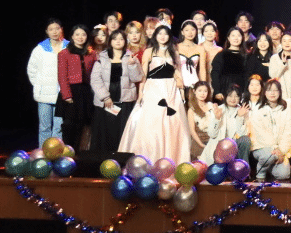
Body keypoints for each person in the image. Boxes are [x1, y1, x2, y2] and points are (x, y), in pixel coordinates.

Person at [119, 25, 189, 164]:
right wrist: (141, 93)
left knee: (172, 122)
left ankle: (170, 159)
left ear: (169, 36)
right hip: (153, 88)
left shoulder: (174, 52)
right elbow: (143, 74)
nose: (162, 36)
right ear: (155, 36)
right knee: (152, 122)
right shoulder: (149, 51)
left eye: (165, 34)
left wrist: (181, 92)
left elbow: (178, 73)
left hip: (171, 89)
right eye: (159, 33)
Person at [89, 29, 142, 151]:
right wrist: (105, 97)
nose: (118, 41)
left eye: (121, 39)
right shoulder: (102, 58)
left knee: (122, 133)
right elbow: (95, 80)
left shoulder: (131, 57)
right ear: (110, 41)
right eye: (115, 39)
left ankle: (121, 158)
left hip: (125, 102)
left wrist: (132, 65)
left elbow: (137, 78)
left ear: (125, 41)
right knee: (106, 132)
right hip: (106, 102)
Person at [56, 24, 97, 149]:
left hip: (85, 91)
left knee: (83, 124)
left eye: (83, 34)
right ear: (72, 36)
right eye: (77, 34)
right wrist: (66, 95)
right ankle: (67, 151)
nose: (80, 37)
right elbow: (62, 76)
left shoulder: (92, 54)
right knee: (69, 125)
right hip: (71, 91)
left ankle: (79, 153)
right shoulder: (64, 53)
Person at [247, 79, 291, 178]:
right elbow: (261, 134)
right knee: (270, 155)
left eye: (275, 90)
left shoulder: (286, 109)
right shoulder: (258, 109)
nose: (272, 93)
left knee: (284, 175)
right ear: (265, 92)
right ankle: (261, 171)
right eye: (269, 90)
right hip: (261, 146)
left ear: (280, 92)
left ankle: (269, 166)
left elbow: (288, 133)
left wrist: (281, 150)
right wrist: (275, 148)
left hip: (279, 149)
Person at [203, 85, 251, 164]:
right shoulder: (218, 110)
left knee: (245, 140)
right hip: (219, 148)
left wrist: (239, 117)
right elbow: (212, 134)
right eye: (230, 96)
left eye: (236, 96)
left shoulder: (243, 111)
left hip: (235, 148)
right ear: (225, 96)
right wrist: (217, 119)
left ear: (240, 98)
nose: (233, 99)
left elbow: (243, 135)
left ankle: (243, 167)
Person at [209, 27, 248, 98]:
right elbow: (215, 74)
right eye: (233, 35)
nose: (236, 38)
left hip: (241, 91)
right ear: (228, 38)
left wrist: (246, 92)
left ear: (242, 38)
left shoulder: (247, 56)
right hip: (224, 90)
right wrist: (217, 91)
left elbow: (248, 76)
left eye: (238, 36)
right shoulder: (221, 55)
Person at [185, 81, 217, 160]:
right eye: (200, 91)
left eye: (205, 91)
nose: (202, 94)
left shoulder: (211, 106)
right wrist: (201, 144)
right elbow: (192, 131)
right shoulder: (191, 110)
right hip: (199, 141)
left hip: (212, 139)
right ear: (194, 91)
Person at [176, 20, 207, 88]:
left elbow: (202, 70)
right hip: (179, 83)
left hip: (194, 82)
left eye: (193, 30)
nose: (190, 33)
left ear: (196, 31)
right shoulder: (176, 47)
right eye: (187, 30)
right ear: (182, 32)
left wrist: (203, 85)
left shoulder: (200, 49)